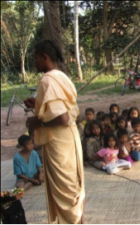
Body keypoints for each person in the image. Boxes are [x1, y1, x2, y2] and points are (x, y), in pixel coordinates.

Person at [24, 40, 85, 224]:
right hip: (69, 139)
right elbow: (59, 109)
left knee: (66, 193)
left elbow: (62, 117)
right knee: (72, 190)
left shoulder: (47, 79)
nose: (34, 62)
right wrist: (39, 106)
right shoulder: (62, 76)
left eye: (36, 58)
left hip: (60, 144)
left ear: (45, 57)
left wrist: (37, 120)